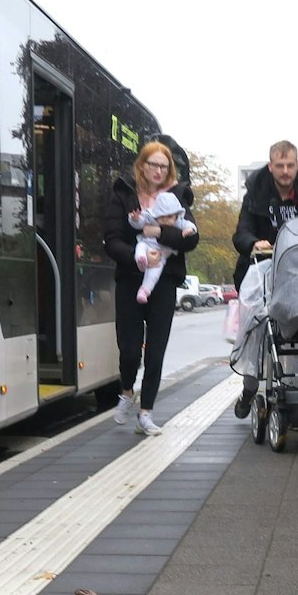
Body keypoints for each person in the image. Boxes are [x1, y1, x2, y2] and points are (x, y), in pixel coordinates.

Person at [104, 140, 199, 436]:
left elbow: (191, 239)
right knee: (130, 349)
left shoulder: (178, 196)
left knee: (156, 351)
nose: (158, 170)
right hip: (131, 278)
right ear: (142, 166)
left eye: (164, 165)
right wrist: (138, 255)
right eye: (153, 164)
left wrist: (158, 232)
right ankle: (127, 390)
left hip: (165, 280)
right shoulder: (123, 194)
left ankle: (146, 413)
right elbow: (112, 238)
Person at [231, 139, 298, 287]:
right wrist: (254, 243)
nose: (285, 171)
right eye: (280, 166)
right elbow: (242, 234)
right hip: (261, 278)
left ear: (297, 166)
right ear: (270, 167)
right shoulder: (254, 195)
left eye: (290, 165)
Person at [128, 189, 196, 304]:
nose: (166, 221)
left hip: (162, 253)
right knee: (140, 247)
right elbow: (140, 223)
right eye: (162, 218)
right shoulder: (151, 216)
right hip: (147, 243)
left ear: (175, 215)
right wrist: (134, 219)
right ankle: (141, 260)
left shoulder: (178, 221)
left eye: (169, 217)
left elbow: (190, 226)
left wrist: (190, 230)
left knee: (155, 271)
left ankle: (144, 290)